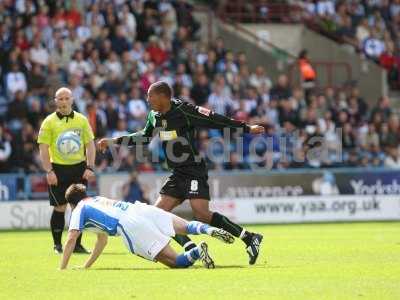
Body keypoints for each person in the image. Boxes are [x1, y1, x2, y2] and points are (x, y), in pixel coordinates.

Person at [98, 81, 265, 265]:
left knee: (201, 214)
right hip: (177, 173)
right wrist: (114, 141)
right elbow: (144, 137)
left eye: (150, 96)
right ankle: (191, 249)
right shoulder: (154, 116)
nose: (147, 99)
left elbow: (215, 119)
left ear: (163, 97)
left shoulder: (185, 111)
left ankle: (249, 238)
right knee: (157, 215)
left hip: (193, 169)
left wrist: (247, 128)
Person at [60, 184, 234, 270]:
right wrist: (86, 266)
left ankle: (196, 252)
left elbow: (71, 239)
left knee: (175, 262)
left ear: (71, 204)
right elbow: (102, 240)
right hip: (138, 208)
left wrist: (62, 269)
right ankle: (208, 230)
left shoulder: (79, 209)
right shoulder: (96, 199)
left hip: (129, 225)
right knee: (186, 226)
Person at [37, 87, 96, 254]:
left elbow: (90, 145)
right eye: (60, 99)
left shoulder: (82, 120)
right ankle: (57, 245)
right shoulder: (48, 122)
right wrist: (49, 171)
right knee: (60, 207)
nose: (63, 102)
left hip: (79, 169)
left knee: (79, 208)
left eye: (66, 98)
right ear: (55, 101)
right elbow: (43, 148)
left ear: (72, 100)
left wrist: (89, 166)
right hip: (58, 170)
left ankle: (77, 245)